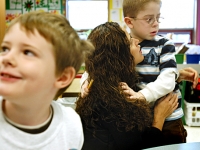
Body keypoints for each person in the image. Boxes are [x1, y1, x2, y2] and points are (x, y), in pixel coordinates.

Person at [80, 0, 199, 145]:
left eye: (158, 18)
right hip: (147, 118)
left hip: (169, 118)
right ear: (129, 22)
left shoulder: (164, 45)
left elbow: (167, 78)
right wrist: (84, 83)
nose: (156, 23)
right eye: (149, 19)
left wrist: (144, 94)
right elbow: (96, 67)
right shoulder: (121, 44)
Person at [76, 22, 179, 150]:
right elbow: (140, 147)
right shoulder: (114, 101)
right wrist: (159, 119)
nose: (137, 41)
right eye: (130, 41)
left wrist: (178, 74)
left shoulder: (107, 84)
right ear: (120, 56)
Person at [0, 11, 94, 149]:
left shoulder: (71, 124)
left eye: (28, 52)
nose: (6, 58)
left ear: (62, 77)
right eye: (5, 48)